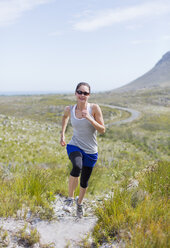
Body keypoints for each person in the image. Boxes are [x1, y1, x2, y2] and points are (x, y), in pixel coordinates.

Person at [60, 82, 105, 217]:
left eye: (85, 93)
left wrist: (90, 118)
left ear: (89, 95)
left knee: (84, 181)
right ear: (75, 93)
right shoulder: (70, 109)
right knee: (76, 166)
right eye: (80, 92)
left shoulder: (94, 108)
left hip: (91, 150)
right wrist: (62, 134)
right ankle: (70, 199)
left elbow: (102, 130)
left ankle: (79, 204)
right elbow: (64, 117)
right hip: (75, 145)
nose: (82, 95)